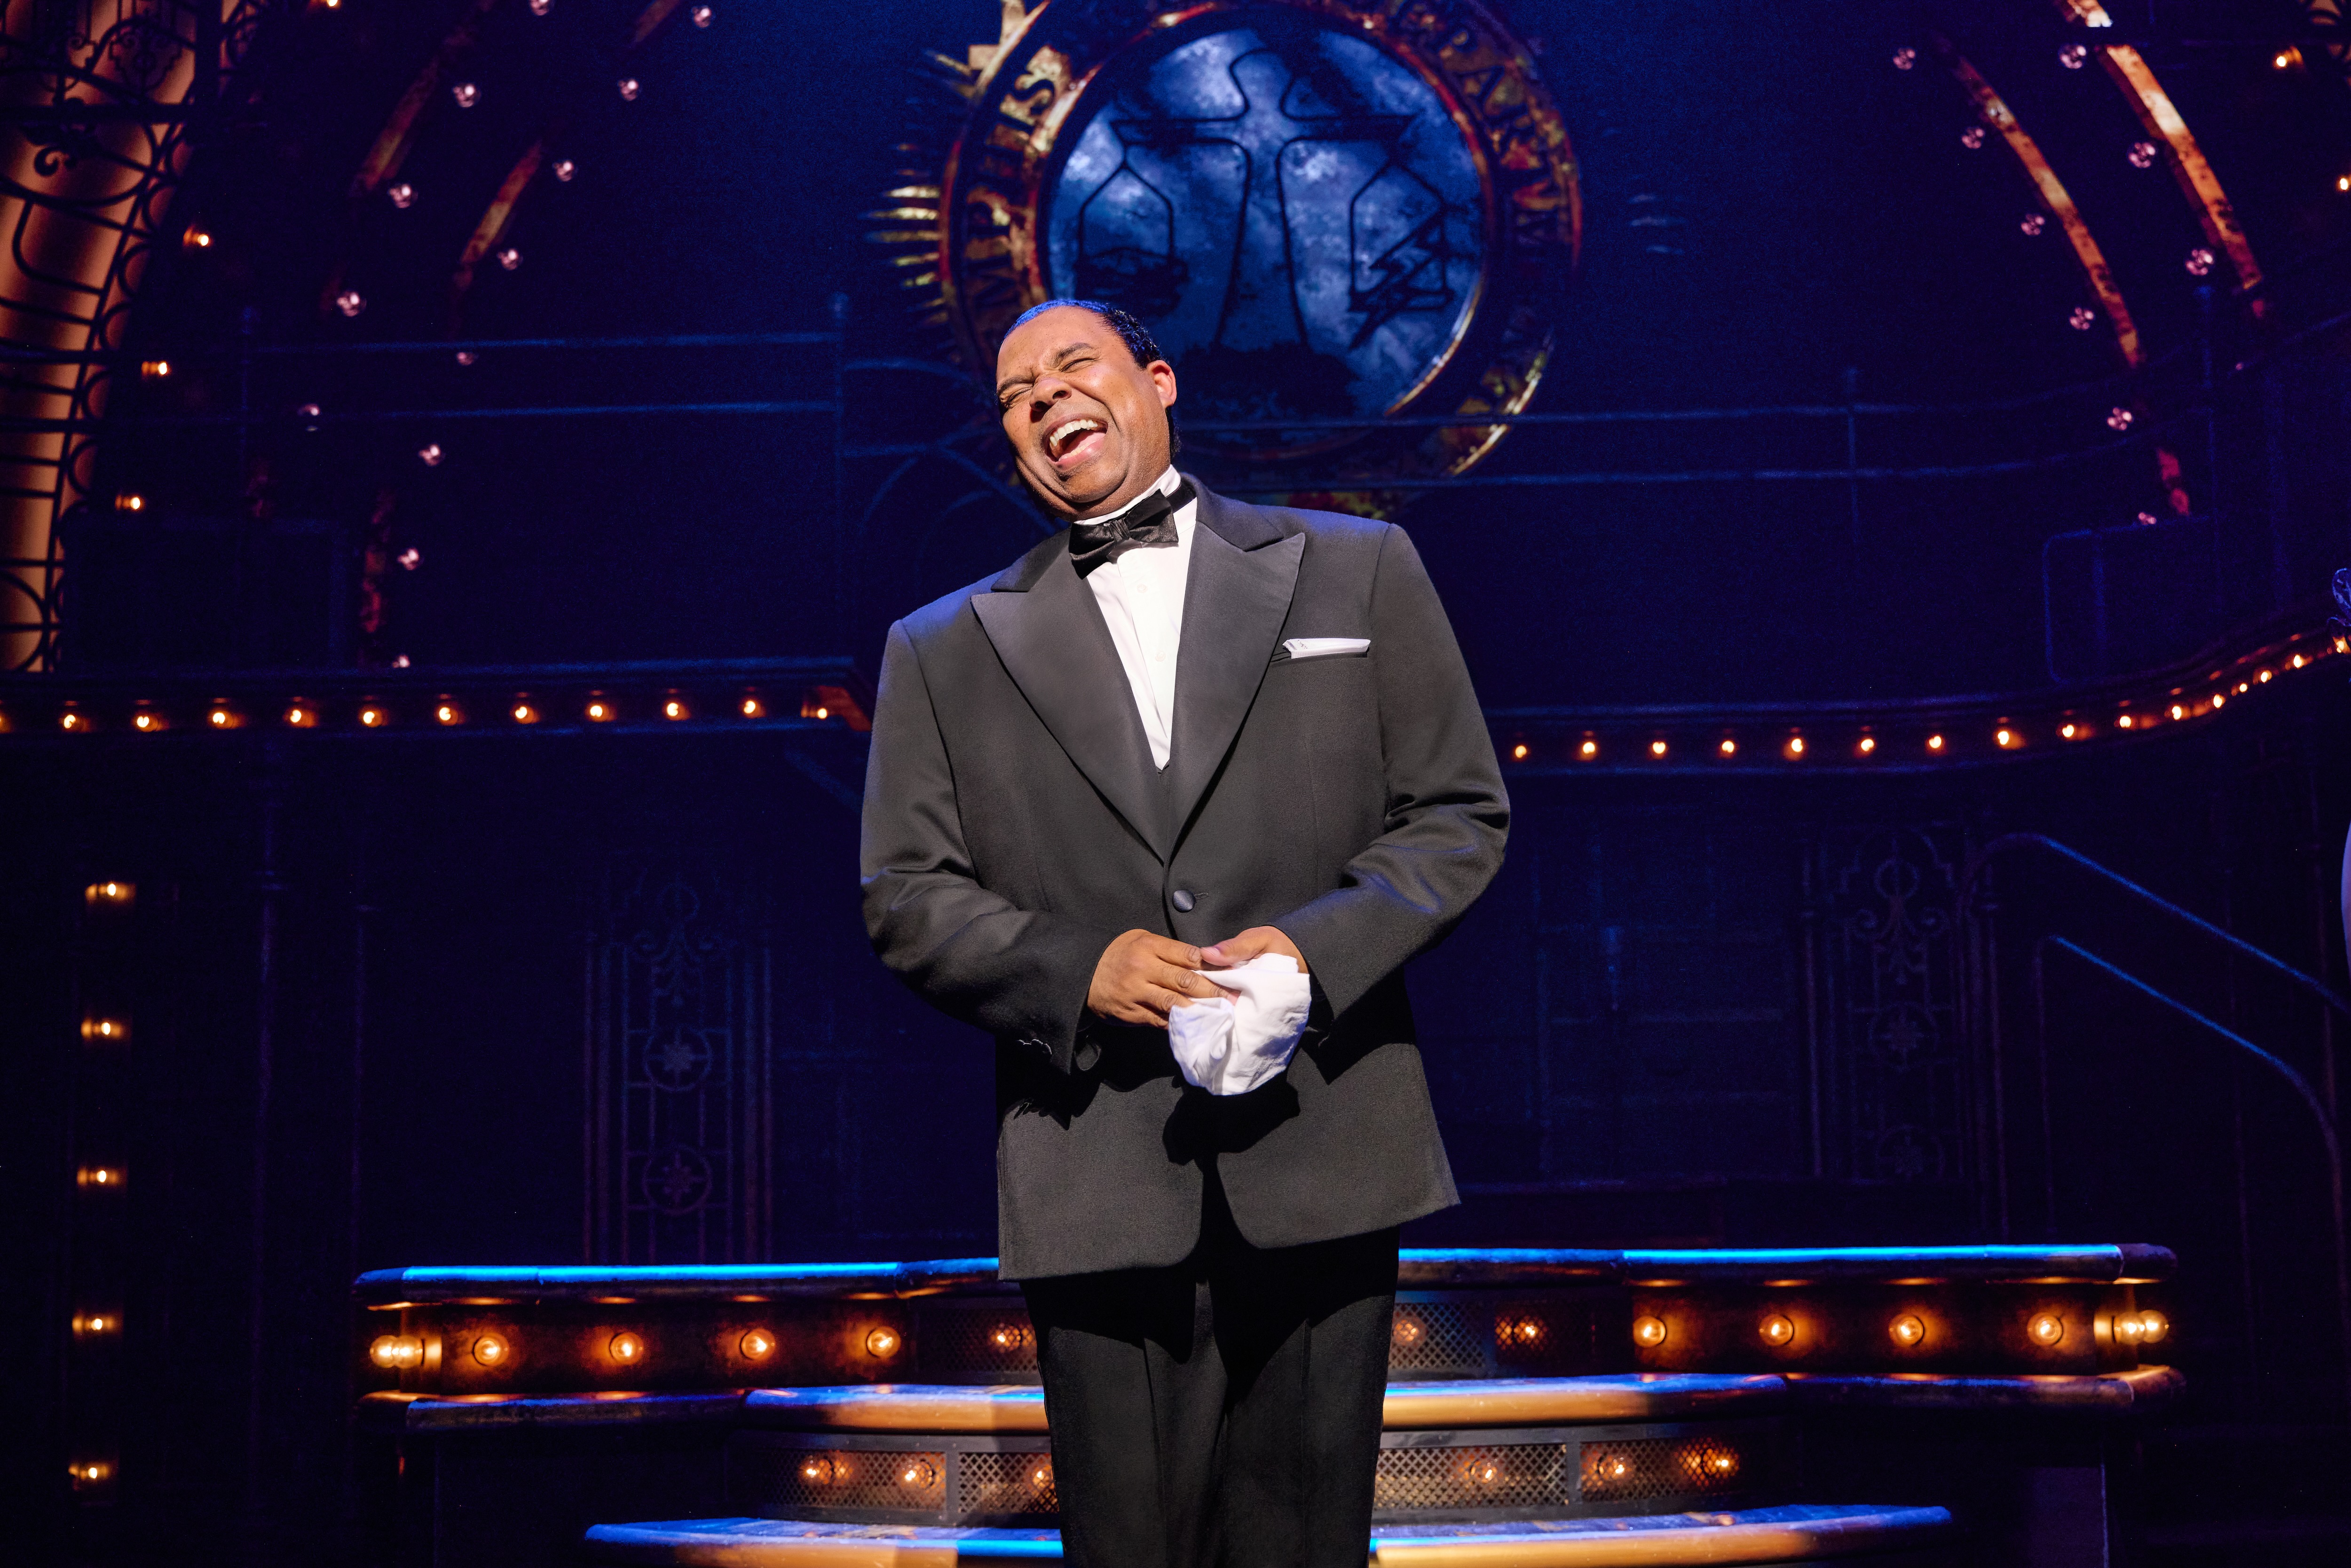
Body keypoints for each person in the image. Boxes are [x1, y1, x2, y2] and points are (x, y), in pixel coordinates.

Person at [859, 299, 1507, 1568]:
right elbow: (905, 892)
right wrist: (1074, 967)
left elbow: (1457, 814)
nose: (1043, 398)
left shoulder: (1358, 569)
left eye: (1072, 367)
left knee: (1309, 1543)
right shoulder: (942, 650)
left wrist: (1310, 954)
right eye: (1013, 394)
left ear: (1157, 384)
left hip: (1323, 1146)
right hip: (1099, 1168)